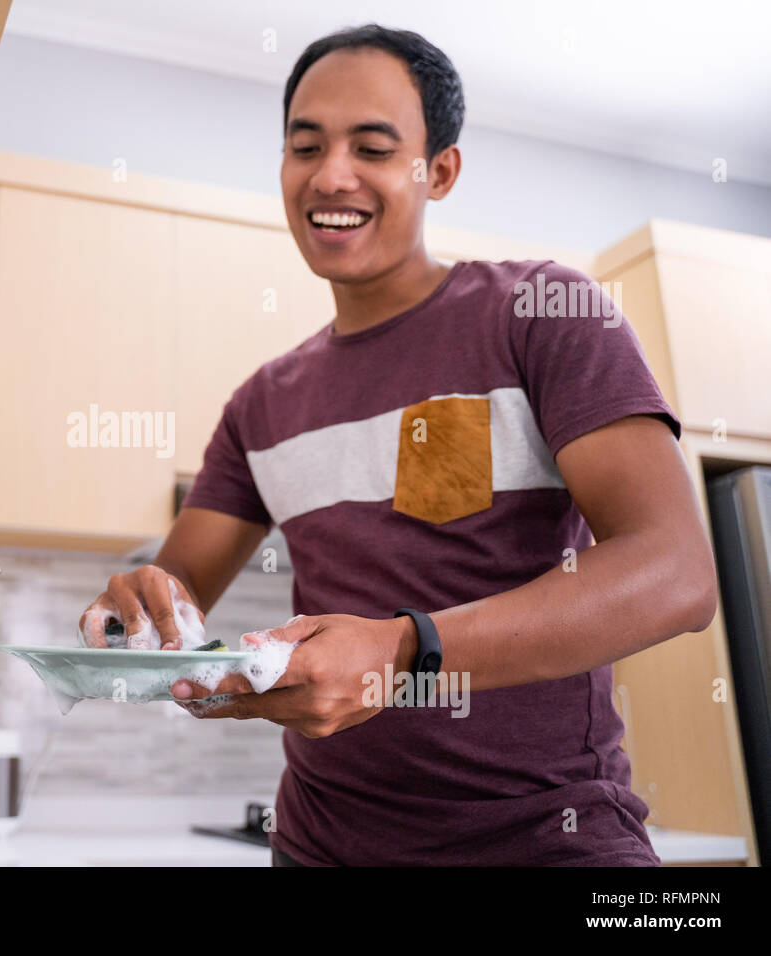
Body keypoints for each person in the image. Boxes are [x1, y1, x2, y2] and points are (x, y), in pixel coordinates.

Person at [78, 24, 718, 866]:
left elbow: (675, 573)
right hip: (318, 849)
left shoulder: (543, 312)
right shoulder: (262, 404)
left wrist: (402, 651)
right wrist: (137, 609)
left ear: (438, 170)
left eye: (372, 147)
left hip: (549, 846)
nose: (330, 175)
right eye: (305, 146)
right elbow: (180, 594)